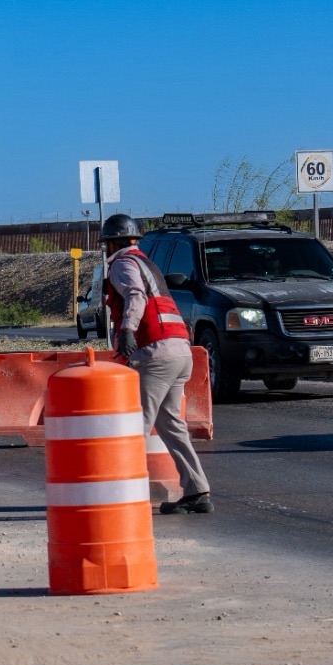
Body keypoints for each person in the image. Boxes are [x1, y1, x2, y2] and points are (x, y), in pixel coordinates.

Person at [101, 214, 214, 514]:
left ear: (112, 242)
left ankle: (122, 495)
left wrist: (127, 329)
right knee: (171, 425)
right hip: (180, 351)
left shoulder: (122, 264)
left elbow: (135, 296)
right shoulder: (146, 262)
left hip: (155, 354)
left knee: (136, 425)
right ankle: (196, 490)